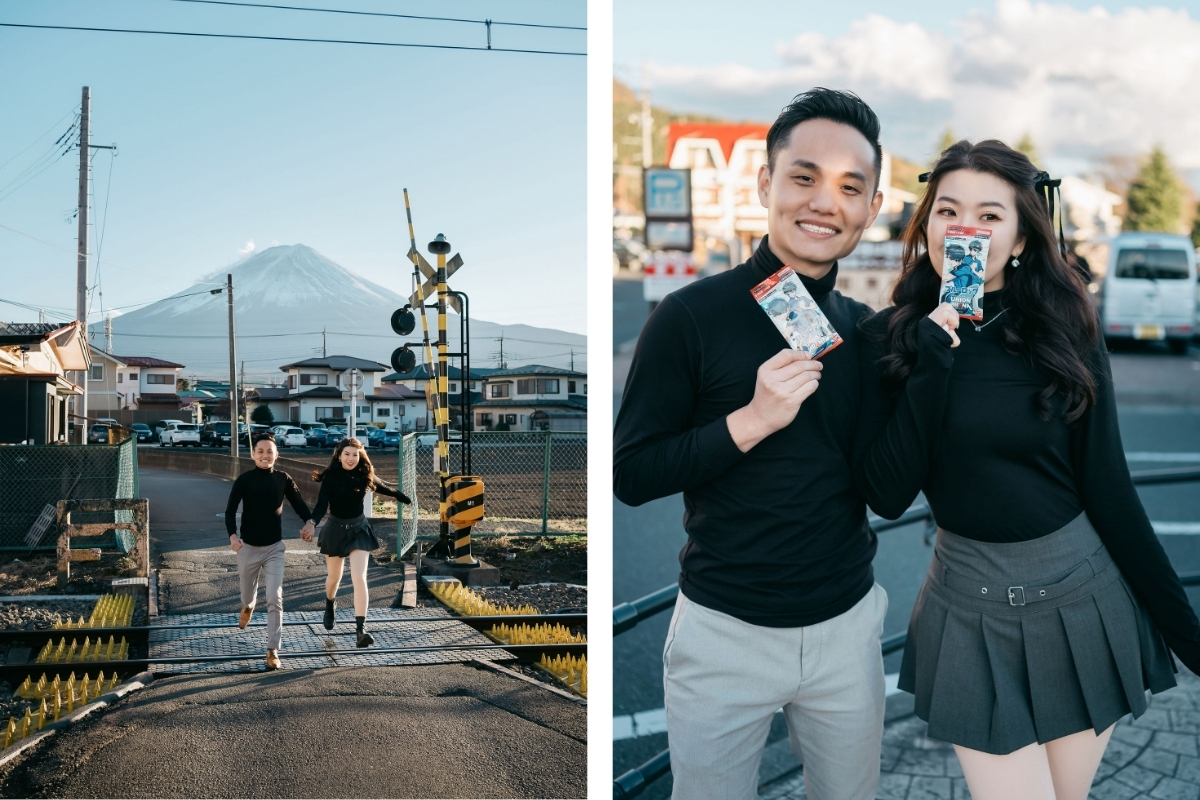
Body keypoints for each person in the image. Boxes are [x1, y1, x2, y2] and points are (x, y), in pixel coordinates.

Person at [854, 139, 1200, 799]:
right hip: (969, 607)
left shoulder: (1066, 327)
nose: (965, 230)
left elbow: (1111, 490)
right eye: (947, 211)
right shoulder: (891, 338)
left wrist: (1188, 636)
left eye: (989, 216)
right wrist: (932, 361)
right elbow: (887, 494)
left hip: (1082, 599)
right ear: (925, 226)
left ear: (1018, 238)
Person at [614, 87, 886, 800]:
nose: (825, 202)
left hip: (847, 627)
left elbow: (889, 483)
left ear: (873, 208)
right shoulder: (689, 316)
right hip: (724, 631)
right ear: (765, 184)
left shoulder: (867, 331)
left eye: (849, 187)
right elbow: (632, 472)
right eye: (803, 177)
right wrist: (751, 421)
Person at [303, 437, 411, 647]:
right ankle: (330, 604)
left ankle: (361, 630)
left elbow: (385, 488)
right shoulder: (331, 477)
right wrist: (311, 522)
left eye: (355, 454)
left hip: (358, 530)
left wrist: (403, 497)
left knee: (359, 577)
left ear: (360, 456)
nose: (351, 458)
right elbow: (320, 506)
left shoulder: (364, 475)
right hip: (335, 530)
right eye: (347, 454)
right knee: (334, 578)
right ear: (339, 455)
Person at [225, 433, 314, 671]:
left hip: (275, 548)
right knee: (248, 596)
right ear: (253, 454)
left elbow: (300, 505)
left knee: (275, 597)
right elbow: (230, 510)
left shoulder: (283, 479)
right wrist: (233, 537)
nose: (265, 455)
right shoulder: (244, 480)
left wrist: (310, 522)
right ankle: (248, 606)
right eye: (261, 451)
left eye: (270, 451)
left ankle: (272, 649)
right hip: (248, 549)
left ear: (277, 455)